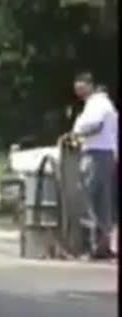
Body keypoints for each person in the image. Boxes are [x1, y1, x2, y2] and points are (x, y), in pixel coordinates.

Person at [70, 72, 118, 259]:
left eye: (81, 88)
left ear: (90, 85)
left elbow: (94, 125)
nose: (79, 93)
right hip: (106, 154)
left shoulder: (97, 104)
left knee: (89, 199)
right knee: (103, 201)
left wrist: (77, 133)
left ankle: (93, 246)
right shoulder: (107, 105)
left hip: (95, 154)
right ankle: (104, 245)